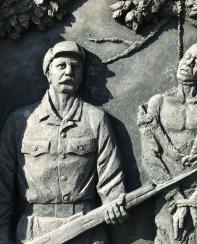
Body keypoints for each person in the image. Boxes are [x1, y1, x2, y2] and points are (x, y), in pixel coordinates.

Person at [0, 41, 127, 243]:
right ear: (48, 73)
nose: (69, 71)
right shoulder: (20, 121)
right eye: (61, 66)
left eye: (75, 67)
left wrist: (115, 204)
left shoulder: (96, 119)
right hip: (36, 232)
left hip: (87, 229)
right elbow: (3, 187)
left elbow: (111, 181)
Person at [138, 43, 197, 243]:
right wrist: (177, 198)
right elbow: (149, 157)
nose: (189, 62)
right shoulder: (157, 103)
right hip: (167, 197)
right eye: (187, 56)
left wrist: (196, 199)